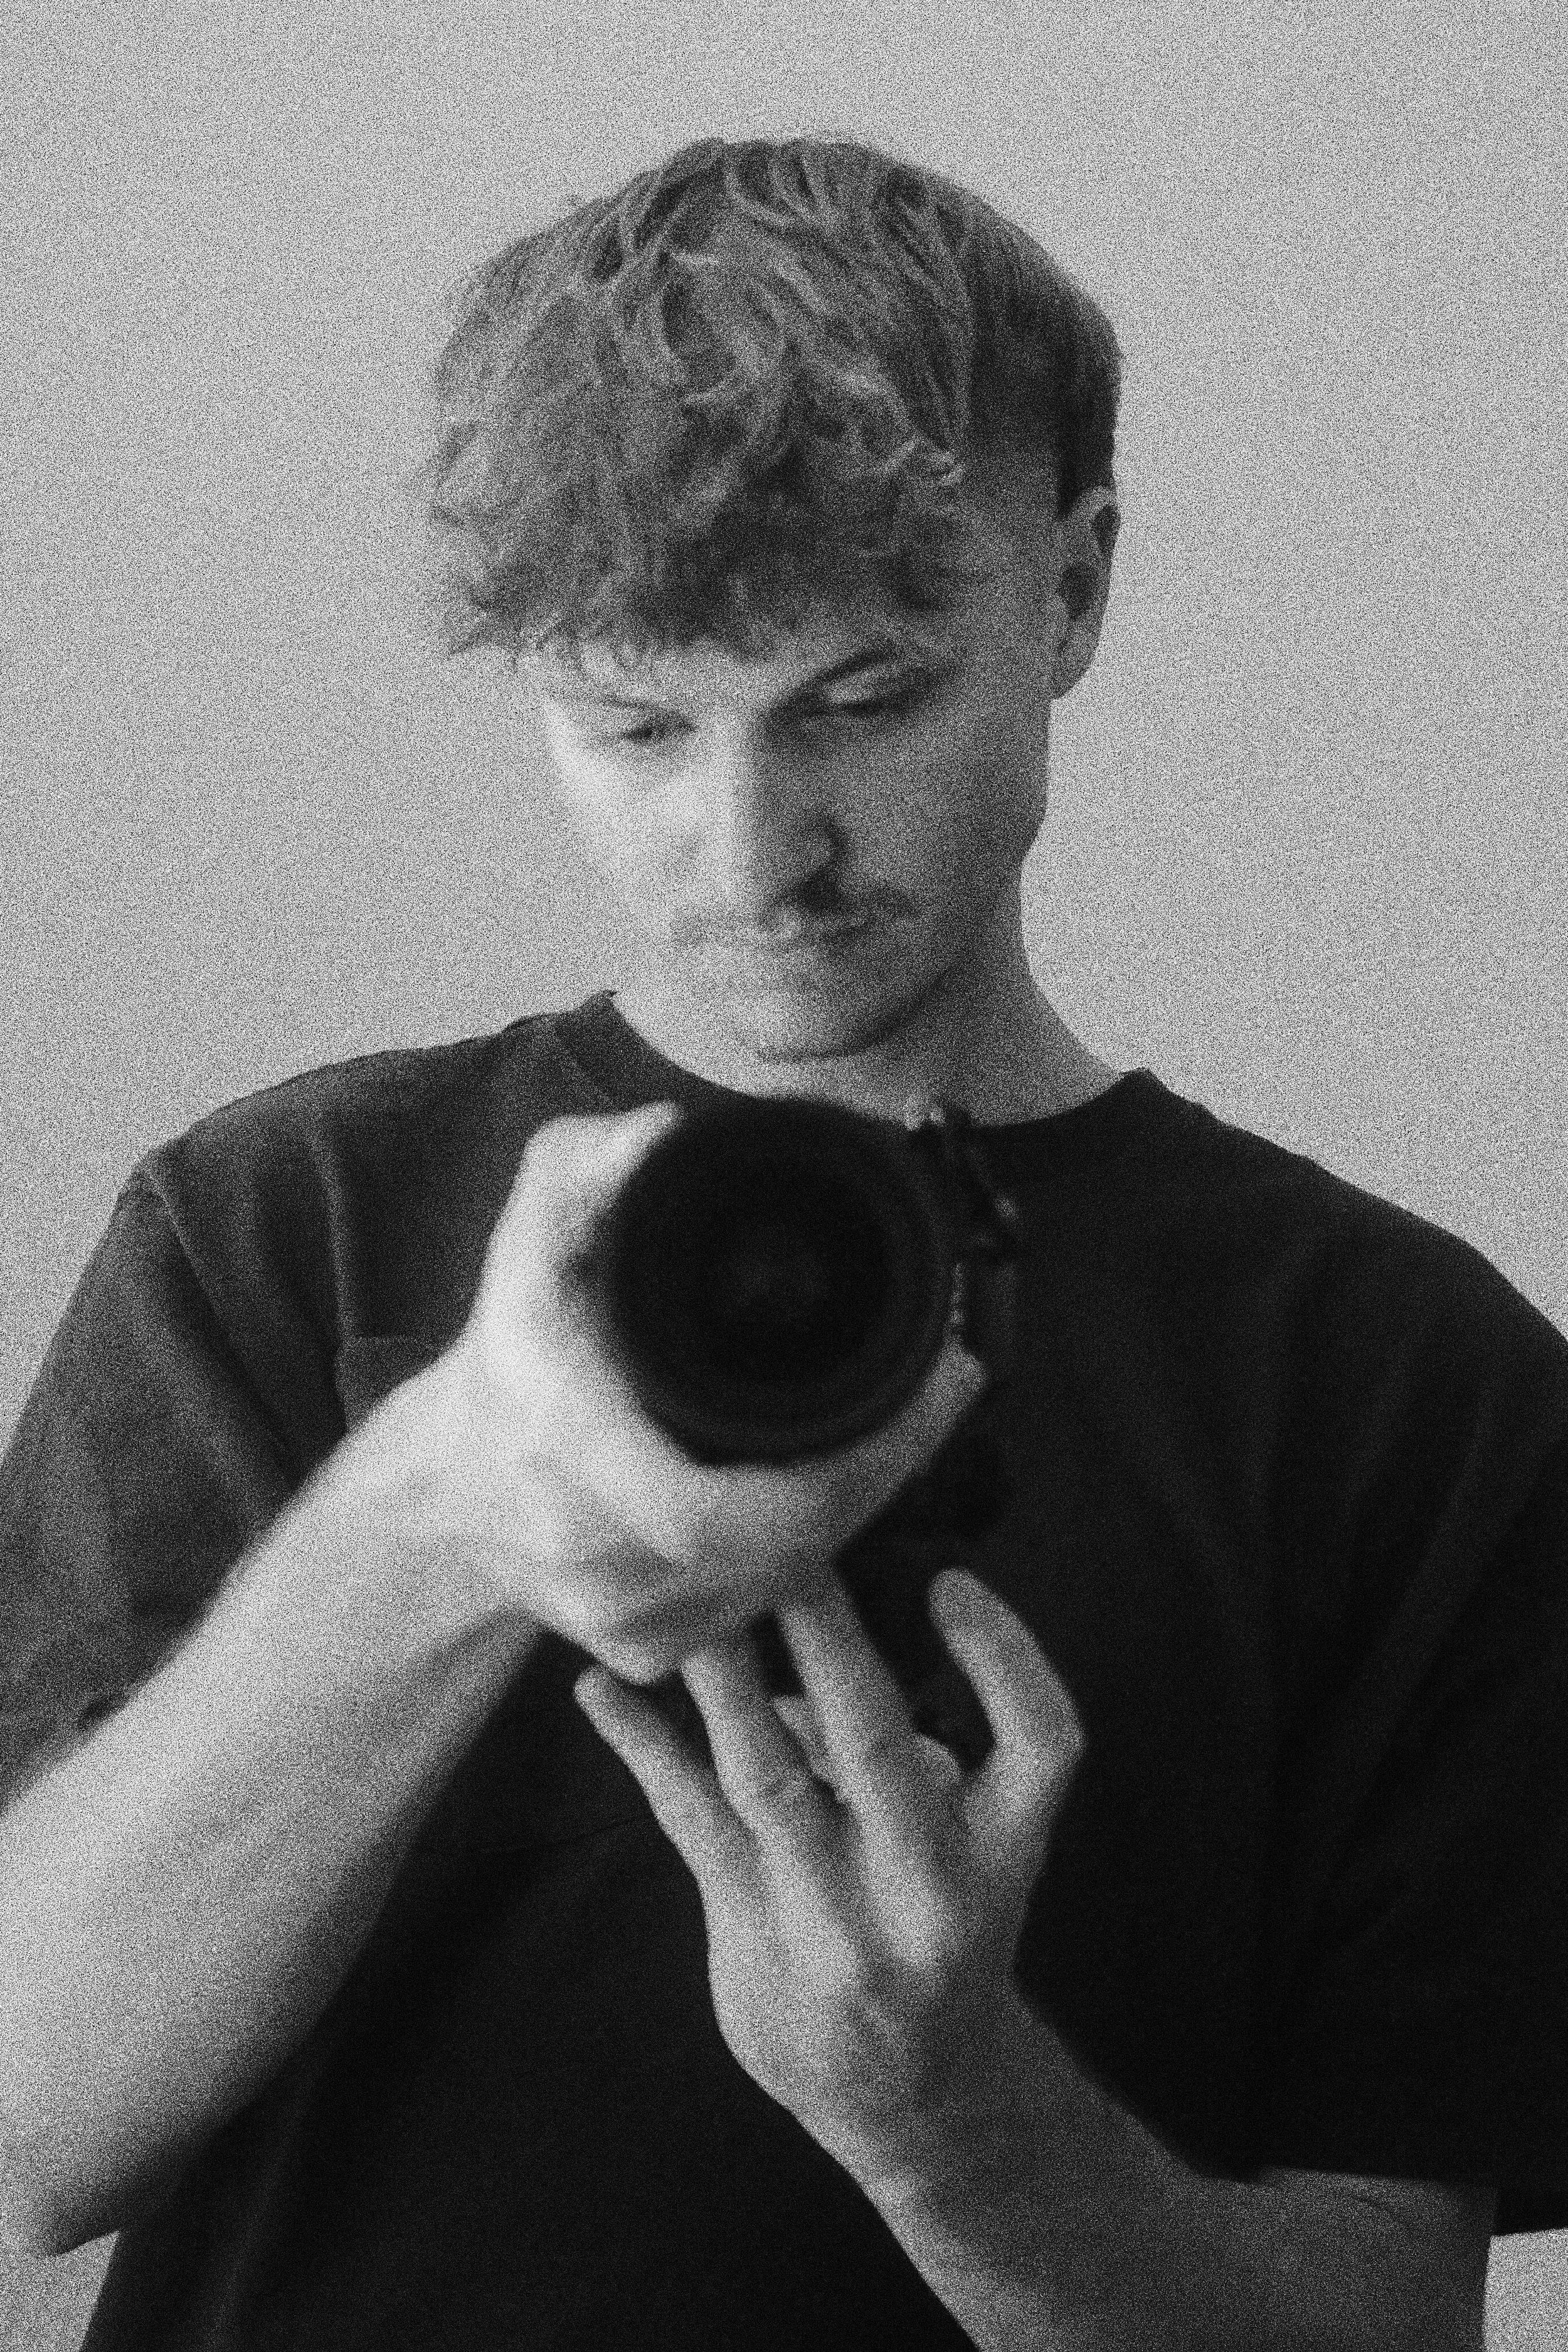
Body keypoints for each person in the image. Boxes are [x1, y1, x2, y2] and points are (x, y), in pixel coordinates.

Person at [1, 131, 1564, 2352]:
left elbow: (1378, 2331)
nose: (755, 844)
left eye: (863, 700)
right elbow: (19, 2126)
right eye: (637, 722)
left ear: (1073, 590)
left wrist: (948, 2114)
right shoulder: (281, 1225)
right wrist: (444, 1510)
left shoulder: (1408, 1380)